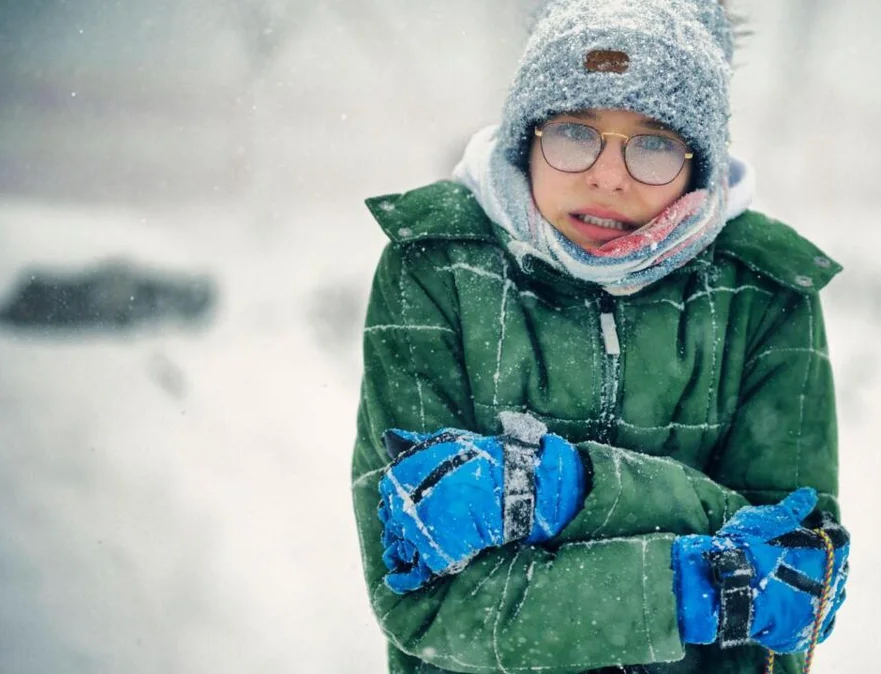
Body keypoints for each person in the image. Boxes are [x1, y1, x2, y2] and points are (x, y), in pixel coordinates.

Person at [350, 1, 850, 672]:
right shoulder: (437, 265)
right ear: (526, 135)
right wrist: (695, 584)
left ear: (697, 161)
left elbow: (791, 582)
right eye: (575, 131)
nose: (608, 176)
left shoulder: (762, 291)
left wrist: (564, 490)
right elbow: (426, 605)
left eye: (652, 141)